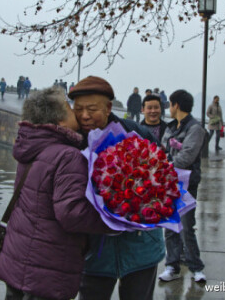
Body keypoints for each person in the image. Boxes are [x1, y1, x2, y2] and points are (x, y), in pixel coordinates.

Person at [0, 87, 114, 300]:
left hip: (18, 259)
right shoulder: (67, 155)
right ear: (59, 122)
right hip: (47, 267)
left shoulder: (31, 147)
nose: (77, 114)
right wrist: (113, 223)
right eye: (70, 109)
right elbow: (71, 214)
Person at [68, 76, 165, 300]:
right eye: (79, 109)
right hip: (94, 251)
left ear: (109, 107)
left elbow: (162, 178)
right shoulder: (72, 140)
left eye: (92, 109)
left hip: (141, 246)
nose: (84, 116)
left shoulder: (135, 133)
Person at [159, 89, 207, 283]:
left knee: (187, 226)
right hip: (169, 183)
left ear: (176, 105)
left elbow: (187, 156)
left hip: (186, 184)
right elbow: (163, 147)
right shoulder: (171, 127)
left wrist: (166, 165)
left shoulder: (195, 128)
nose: (168, 108)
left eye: (169, 104)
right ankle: (172, 265)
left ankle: (196, 267)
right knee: (170, 227)